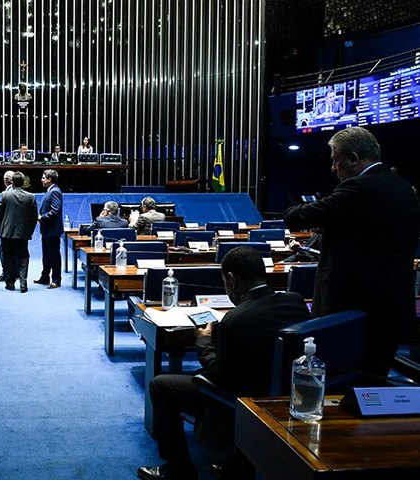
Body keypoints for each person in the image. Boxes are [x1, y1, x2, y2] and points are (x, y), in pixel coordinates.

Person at [137, 247, 310, 480]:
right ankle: (237, 464)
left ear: (231, 279)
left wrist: (204, 342)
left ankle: (179, 471)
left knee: (161, 385)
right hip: (283, 393)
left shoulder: (234, 320)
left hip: (242, 397)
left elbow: (218, 376)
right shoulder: (295, 301)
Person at [284, 126, 420, 380]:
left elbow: (296, 217)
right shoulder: (404, 189)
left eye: (336, 161)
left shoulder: (358, 187)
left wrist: (320, 213)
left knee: (339, 385)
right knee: (374, 382)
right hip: (393, 307)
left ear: (354, 159)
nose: (334, 168)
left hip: (351, 311)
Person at [0, 171, 38, 292]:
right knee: (23, 256)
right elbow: (34, 217)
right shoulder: (31, 196)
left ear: (12, 182)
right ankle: (23, 283)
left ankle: (10, 283)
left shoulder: (5, 195)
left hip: (7, 232)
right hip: (23, 232)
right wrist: (30, 230)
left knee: (8, 257)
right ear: (23, 183)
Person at [34, 169, 63, 288]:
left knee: (54, 255)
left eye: (43, 177)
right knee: (46, 255)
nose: (41, 180)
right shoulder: (50, 191)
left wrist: (42, 217)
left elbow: (55, 210)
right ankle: (45, 277)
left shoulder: (55, 191)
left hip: (52, 229)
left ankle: (56, 279)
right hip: (47, 229)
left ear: (49, 179)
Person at [0, 170, 15, 282]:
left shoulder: (5, 193)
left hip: (6, 227)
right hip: (16, 228)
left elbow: (0, 213)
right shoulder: (19, 191)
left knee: (4, 251)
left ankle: (6, 273)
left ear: (5, 181)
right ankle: (13, 273)